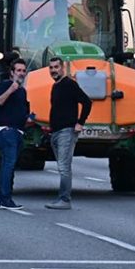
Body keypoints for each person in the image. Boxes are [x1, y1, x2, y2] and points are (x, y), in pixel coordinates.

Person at [46, 56, 92, 210]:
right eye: (51, 68)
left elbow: (87, 102)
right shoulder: (56, 86)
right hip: (56, 132)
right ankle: (62, 198)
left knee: (64, 167)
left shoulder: (69, 84)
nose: (53, 70)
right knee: (63, 165)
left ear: (63, 68)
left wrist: (80, 122)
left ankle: (64, 199)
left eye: (56, 67)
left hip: (66, 131)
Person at [0, 58, 30, 211]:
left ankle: (7, 197)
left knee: (10, 165)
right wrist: (10, 90)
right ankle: (5, 199)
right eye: (18, 71)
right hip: (6, 131)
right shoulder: (5, 85)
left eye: (23, 71)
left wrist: (30, 118)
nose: (21, 73)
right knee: (8, 164)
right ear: (12, 72)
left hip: (17, 131)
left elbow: (23, 111)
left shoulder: (22, 90)